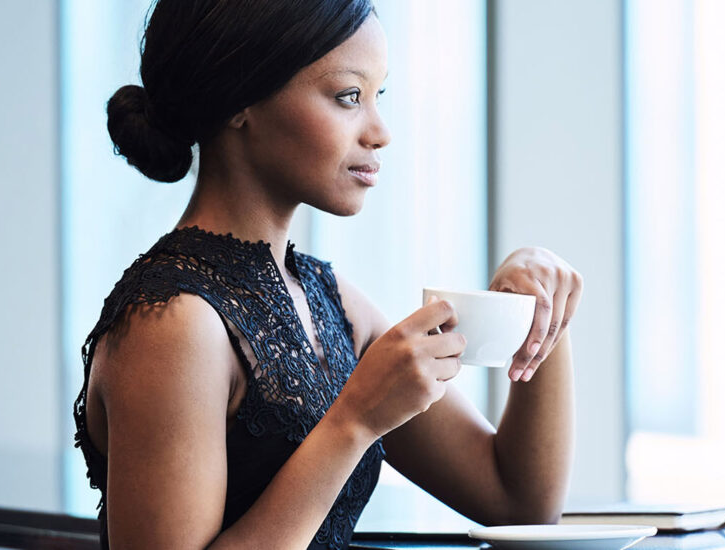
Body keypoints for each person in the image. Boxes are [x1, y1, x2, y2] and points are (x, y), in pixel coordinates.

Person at [72, 1, 584, 548]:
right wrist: (355, 421)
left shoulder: (329, 300)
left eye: (378, 97)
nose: (381, 132)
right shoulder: (172, 326)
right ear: (239, 101)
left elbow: (517, 502)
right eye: (348, 97)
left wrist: (540, 312)